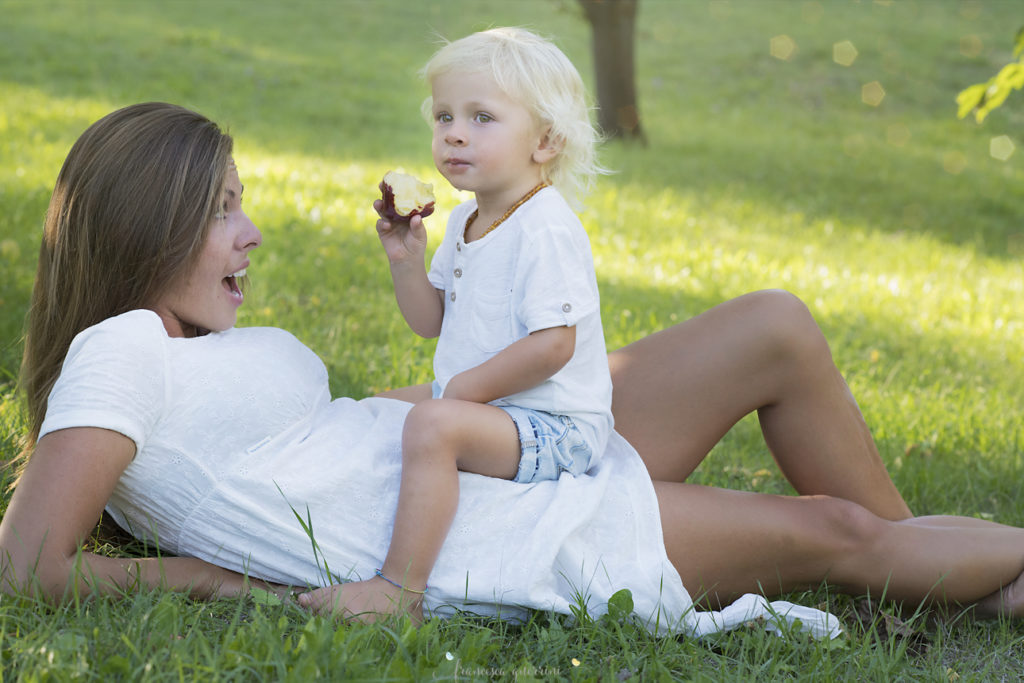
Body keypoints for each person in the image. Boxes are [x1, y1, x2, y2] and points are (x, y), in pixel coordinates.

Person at [3, 102, 1024, 640]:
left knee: (771, 326)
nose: (253, 232)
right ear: (149, 223)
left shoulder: (201, 346)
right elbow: (29, 565)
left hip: (474, 444)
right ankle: (926, 572)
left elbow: (338, 429)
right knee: (830, 532)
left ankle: (930, 579)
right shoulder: (120, 347)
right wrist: (225, 584)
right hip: (474, 528)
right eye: (223, 209)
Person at [351, 27, 614, 622]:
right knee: (377, 408)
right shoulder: (469, 217)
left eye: (482, 117)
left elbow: (554, 345)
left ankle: (399, 591)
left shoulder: (544, 227)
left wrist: (463, 393)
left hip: (556, 428)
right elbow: (430, 323)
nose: (455, 133)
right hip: (502, 408)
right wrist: (405, 260)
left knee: (433, 424)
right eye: (444, 116)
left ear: (545, 141)